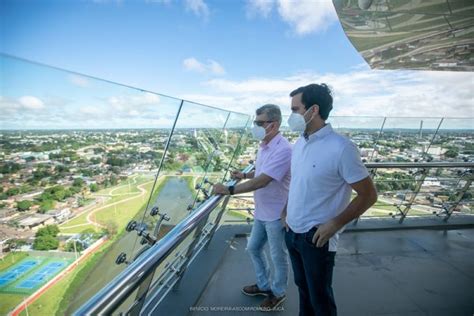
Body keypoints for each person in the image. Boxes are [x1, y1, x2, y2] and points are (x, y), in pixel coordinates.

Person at [282, 84, 377, 316]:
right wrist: (285, 212)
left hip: (317, 237)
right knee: (303, 290)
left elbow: (369, 195)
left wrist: (334, 224)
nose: (291, 116)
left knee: (320, 299)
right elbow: (298, 182)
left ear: (313, 110)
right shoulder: (300, 143)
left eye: (295, 109)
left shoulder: (342, 148)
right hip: (292, 232)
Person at [212, 104, 291, 311]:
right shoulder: (264, 145)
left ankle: (278, 292)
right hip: (262, 212)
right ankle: (265, 286)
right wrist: (245, 175)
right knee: (253, 248)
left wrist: (228, 190)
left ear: (272, 125)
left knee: (277, 256)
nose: (255, 127)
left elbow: (263, 181)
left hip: (276, 214)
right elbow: (261, 171)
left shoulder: (283, 149)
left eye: (259, 123)